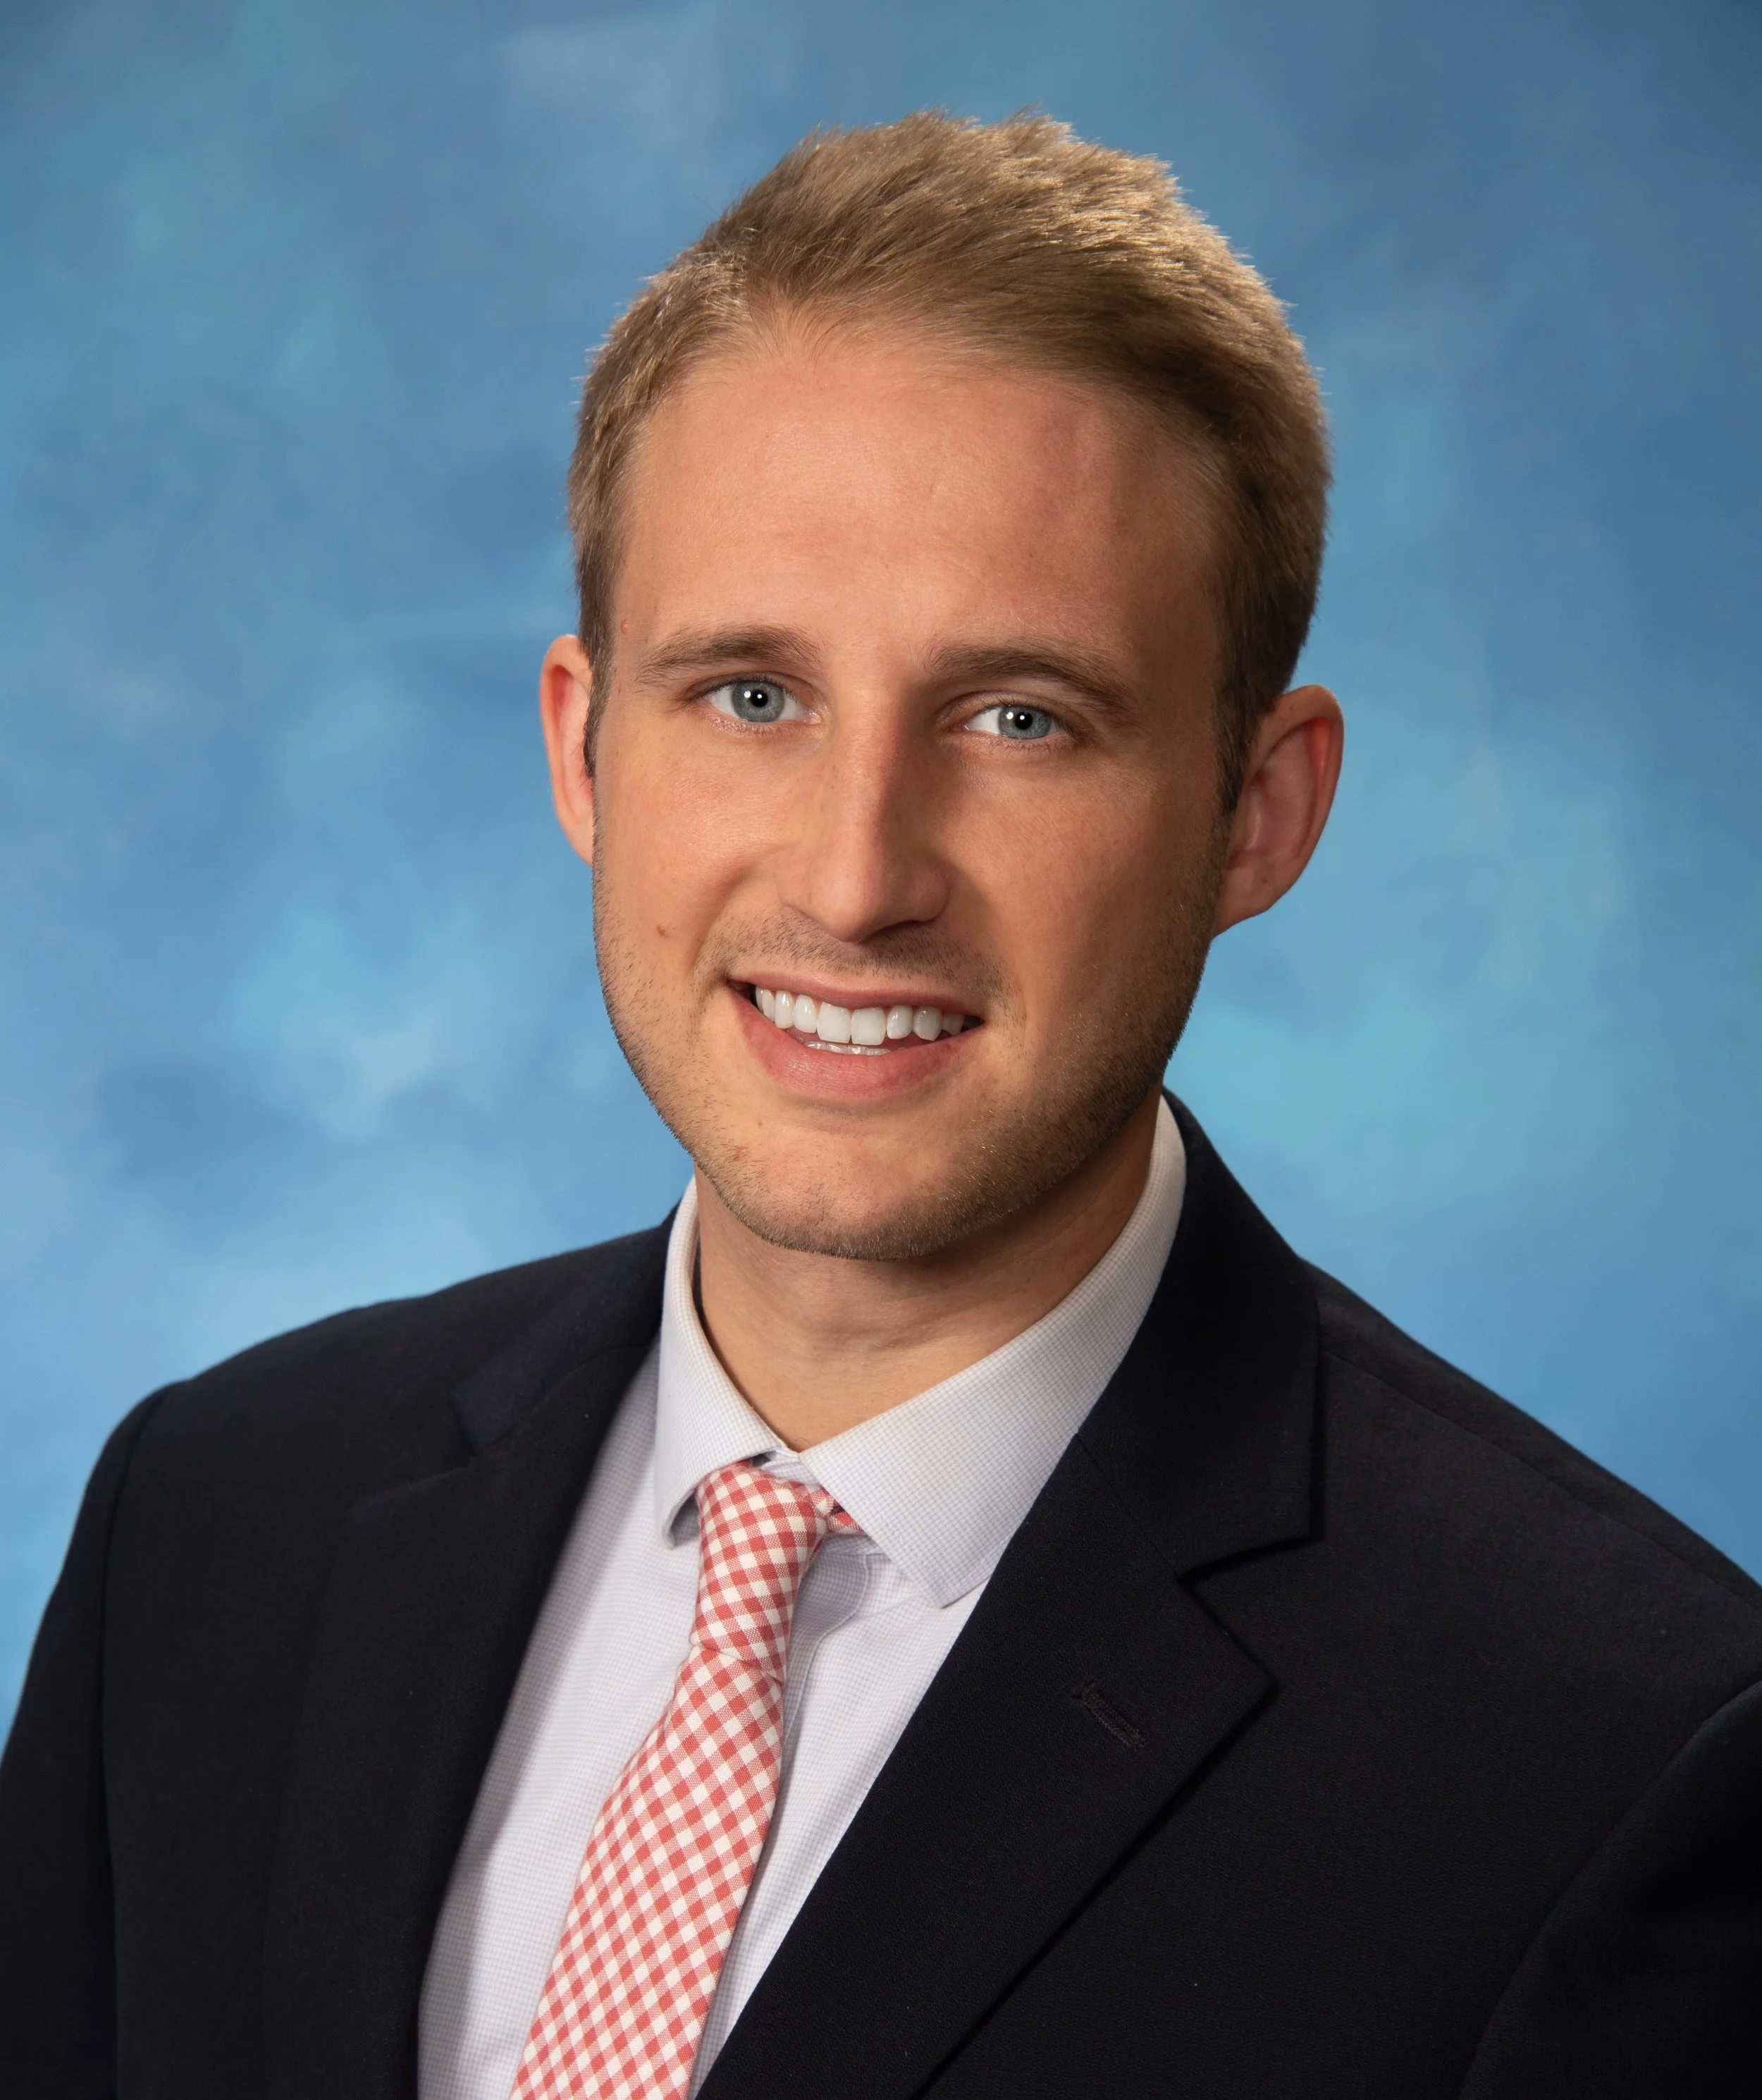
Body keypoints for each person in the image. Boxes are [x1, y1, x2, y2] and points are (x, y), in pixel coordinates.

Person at [2, 111, 1758, 2100]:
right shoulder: (214, 1525)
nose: (854, 878)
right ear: (586, 751)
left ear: (1255, 810)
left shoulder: (1616, 1758)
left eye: (1021, 717)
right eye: (750, 693)